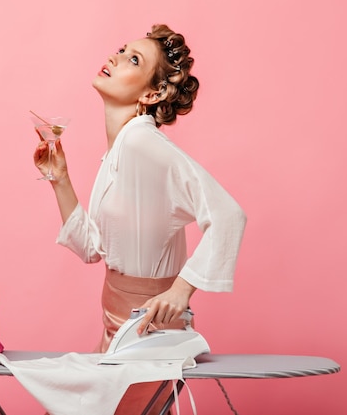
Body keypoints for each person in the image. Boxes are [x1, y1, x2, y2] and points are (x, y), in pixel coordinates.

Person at [33, 24, 247, 415]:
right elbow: (94, 250)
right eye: (122, 50)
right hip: (117, 333)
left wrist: (182, 290)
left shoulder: (142, 143)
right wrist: (60, 179)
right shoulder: (120, 151)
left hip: (148, 339)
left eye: (134, 59)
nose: (115, 57)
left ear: (151, 94)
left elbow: (229, 215)